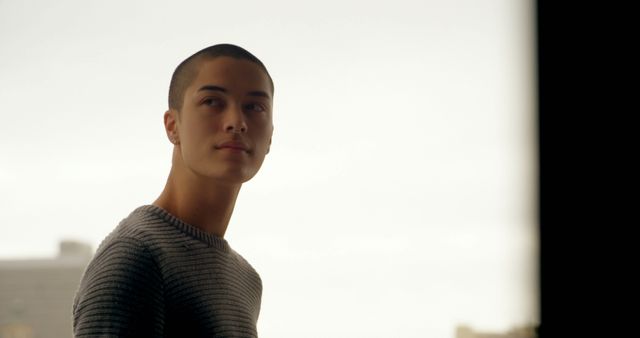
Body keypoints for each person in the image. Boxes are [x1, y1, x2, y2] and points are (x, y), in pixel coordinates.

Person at [72, 43, 274, 337]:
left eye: (254, 107)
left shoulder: (245, 279)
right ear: (172, 125)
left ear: (271, 137)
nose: (236, 123)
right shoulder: (137, 256)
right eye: (212, 102)